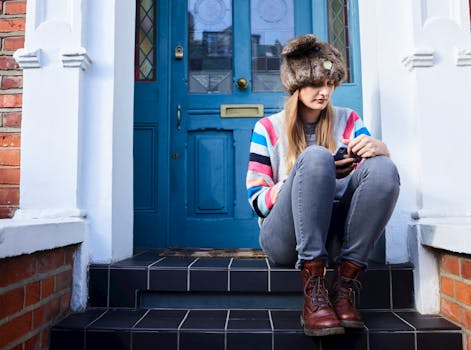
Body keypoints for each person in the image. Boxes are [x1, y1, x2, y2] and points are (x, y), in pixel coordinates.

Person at [246, 34, 400, 337]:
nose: (324, 91)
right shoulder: (267, 128)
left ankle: (344, 285)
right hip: (284, 240)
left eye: (330, 83)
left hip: (335, 235)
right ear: (297, 85)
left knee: (383, 167)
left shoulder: (349, 119)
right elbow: (257, 200)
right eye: (316, 83)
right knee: (315, 158)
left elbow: (373, 174)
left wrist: (380, 148)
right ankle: (314, 287)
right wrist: (304, 176)